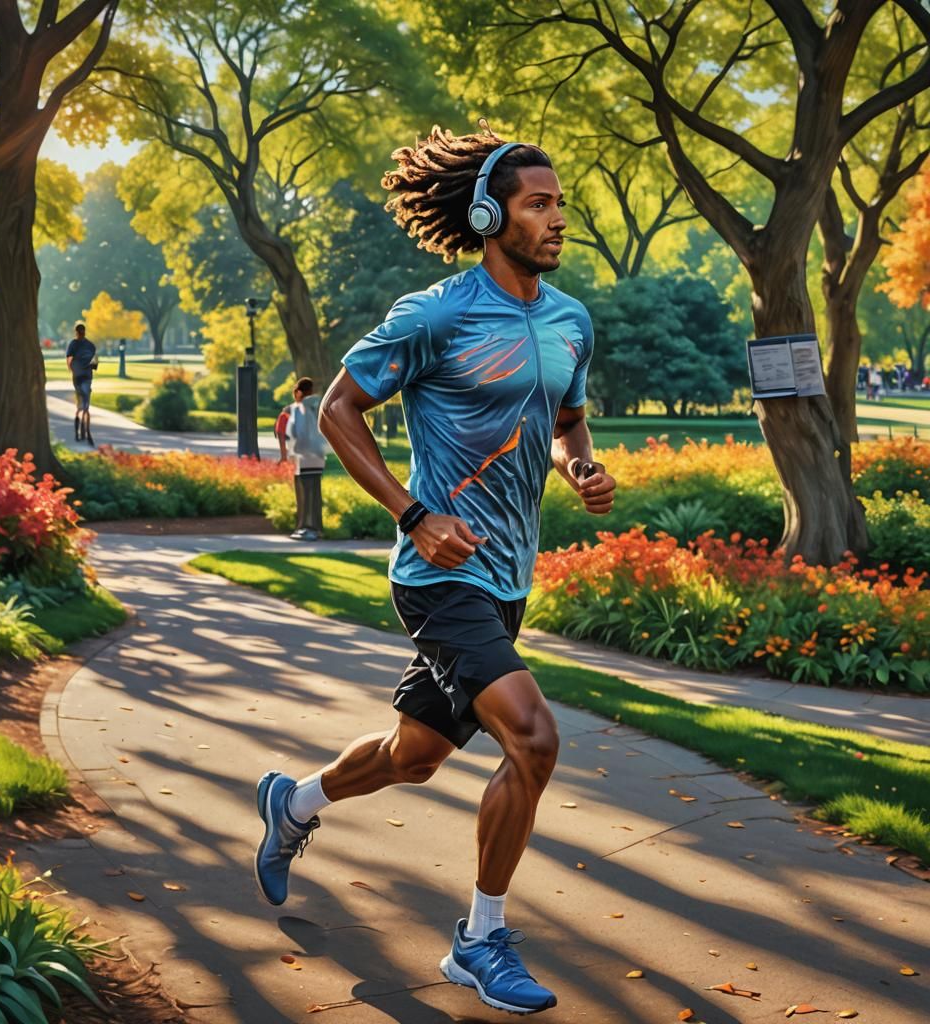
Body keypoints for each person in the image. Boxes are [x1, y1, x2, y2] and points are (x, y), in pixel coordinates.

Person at [253, 124, 616, 1016]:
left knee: (414, 756)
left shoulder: (570, 320)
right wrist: (413, 514)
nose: (557, 218)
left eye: (560, 202)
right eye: (539, 204)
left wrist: (581, 466)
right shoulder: (437, 314)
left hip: (508, 578)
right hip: (438, 574)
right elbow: (340, 409)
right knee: (533, 738)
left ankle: (293, 803)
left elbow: (569, 420)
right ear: (491, 215)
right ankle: (480, 942)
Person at [285, 377, 327, 541]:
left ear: (299, 392)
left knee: (304, 495)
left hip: (304, 458)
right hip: (317, 457)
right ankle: (316, 527)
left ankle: (305, 527)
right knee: (315, 494)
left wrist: (293, 452)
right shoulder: (317, 407)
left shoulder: (299, 408)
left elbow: (298, 433)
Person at [66, 322, 98, 445]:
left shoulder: (75, 344)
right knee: (83, 406)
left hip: (81, 378)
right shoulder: (89, 345)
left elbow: (69, 360)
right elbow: (95, 362)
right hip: (84, 378)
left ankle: (82, 433)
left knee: (83, 406)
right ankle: (82, 432)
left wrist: (72, 369)